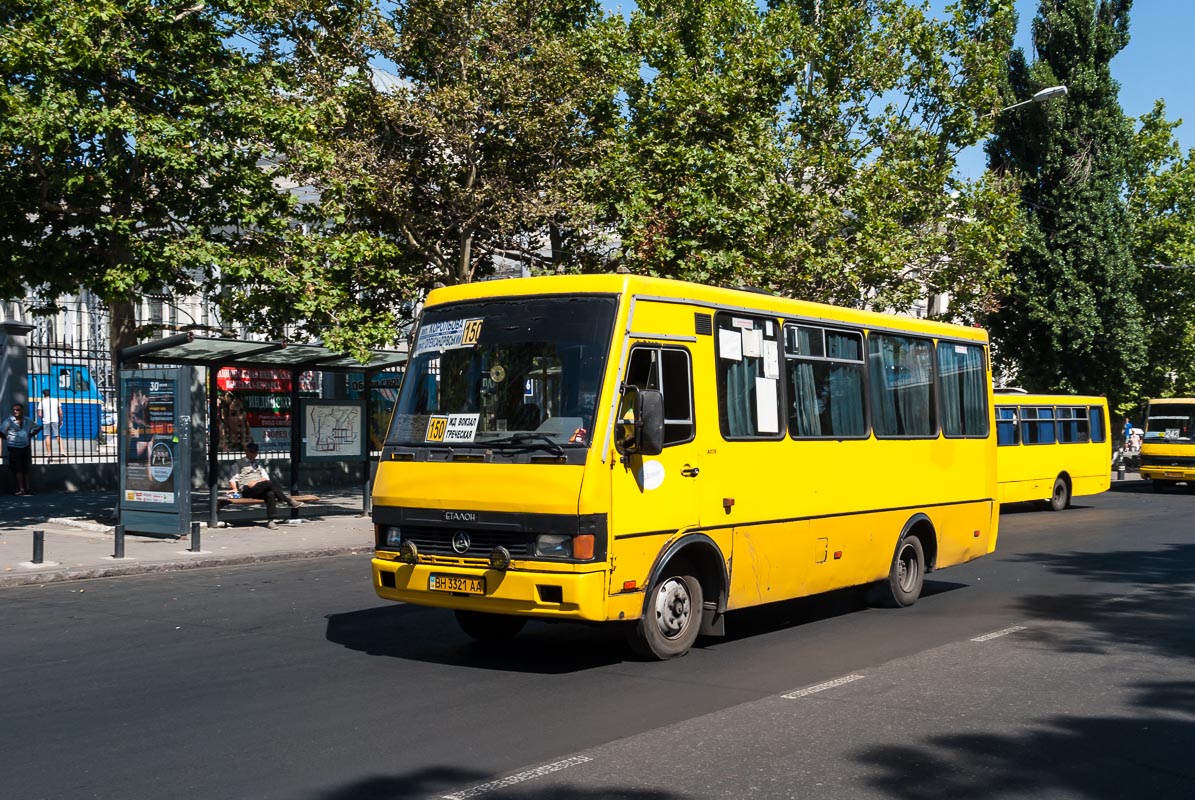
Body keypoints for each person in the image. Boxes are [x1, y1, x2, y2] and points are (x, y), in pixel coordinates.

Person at [230, 442, 302, 529]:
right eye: (251, 452)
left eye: (255, 452)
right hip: (247, 488)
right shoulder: (238, 464)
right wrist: (234, 489)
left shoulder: (258, 464)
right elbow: (233, 479)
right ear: (246, 452)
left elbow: (266, 478)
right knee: (269, 484)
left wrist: (258, 481)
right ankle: (288, 500)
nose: (253, 454)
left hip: (259, 487)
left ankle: (271, 521)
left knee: (270, 494)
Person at [1, 403, 38, 495]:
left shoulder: (28, 421)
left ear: (22, 411)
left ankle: (28, 489)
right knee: (18, 469)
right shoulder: (9, 421)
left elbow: (37, 427)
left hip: (25, 447)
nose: (15, 411)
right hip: (14, 447)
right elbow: (1, 431)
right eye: (14, 410)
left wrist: (31, 435)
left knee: (26, 469)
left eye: (17, 410)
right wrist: (7, 438)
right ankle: (21, 489)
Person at [38, 389, 65, 459]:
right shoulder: (56, 400)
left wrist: (43, 419)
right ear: (50, 394)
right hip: (55, 420)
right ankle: (62, 451)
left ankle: (49, 453)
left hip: (46, 421)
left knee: (47, 436)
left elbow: (40, 414)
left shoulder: (41, 402)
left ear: (43, 394)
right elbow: (60, 412)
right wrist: (61, 419)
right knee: (58, 435)